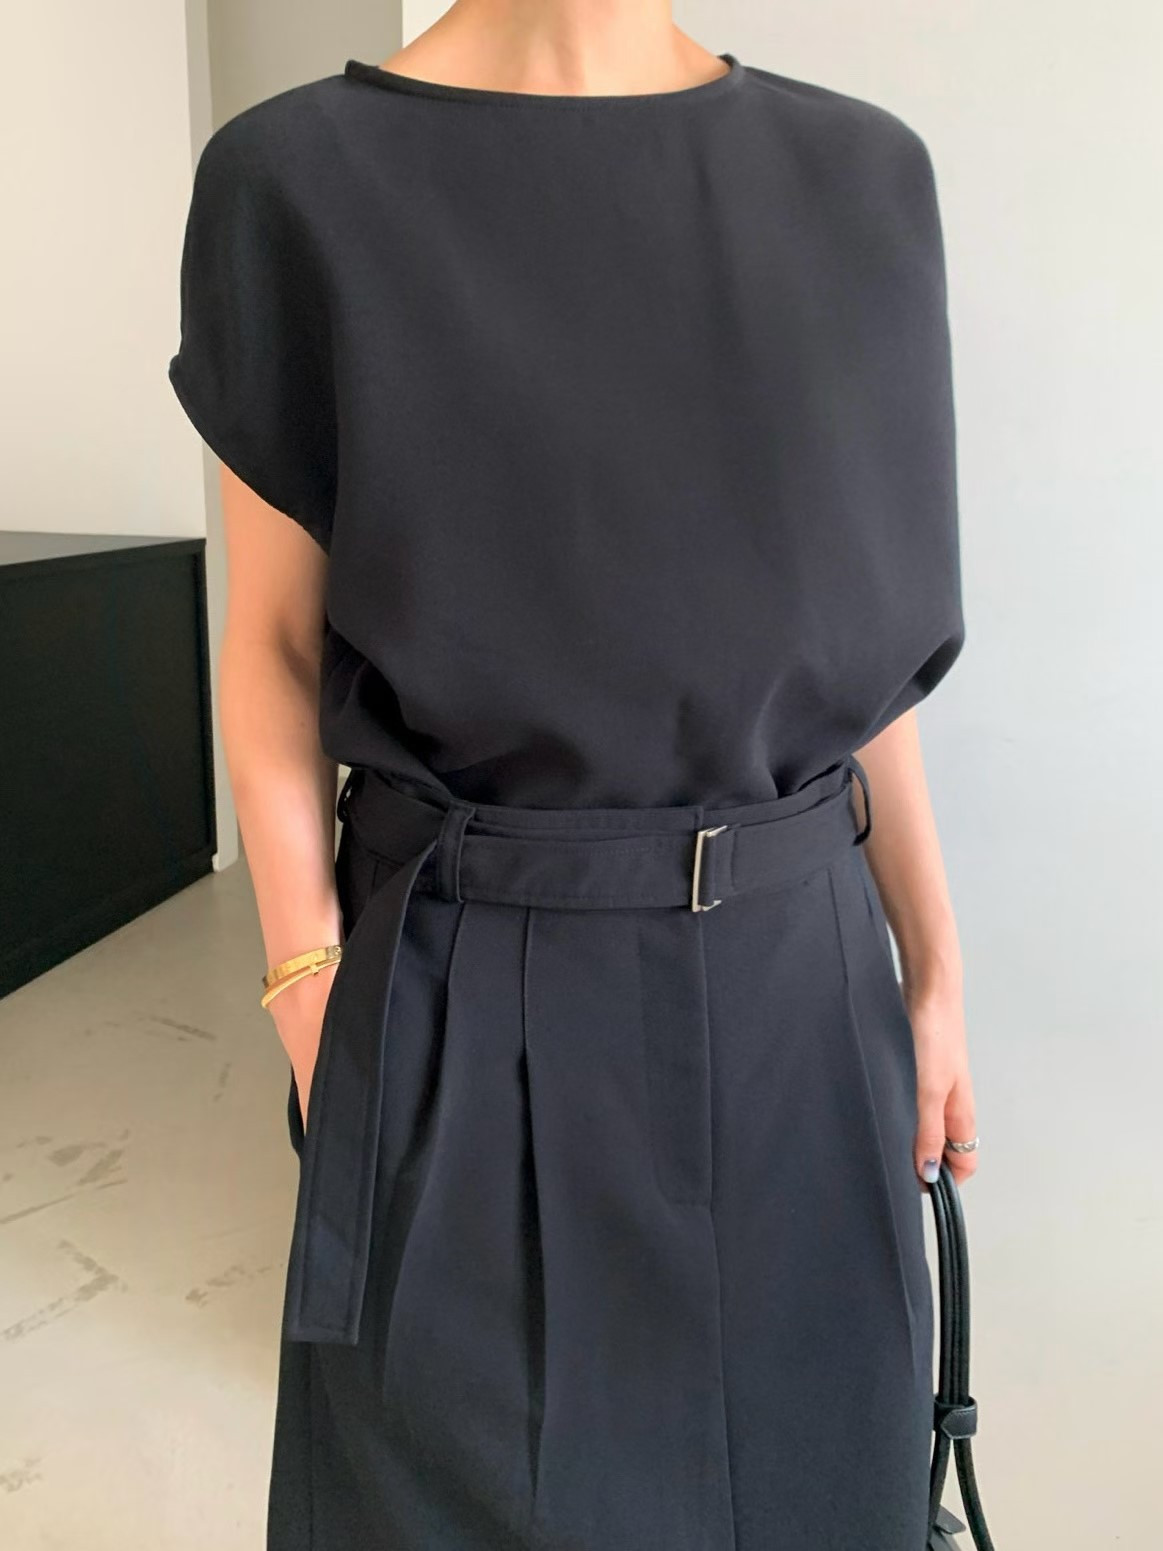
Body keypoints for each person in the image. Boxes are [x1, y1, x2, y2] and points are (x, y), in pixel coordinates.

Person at [166, 5, 978, 1548]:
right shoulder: (296, 181)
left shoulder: (862, 178)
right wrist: (306, 989)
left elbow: (853, 661)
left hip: (800, 998)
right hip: (460, 981)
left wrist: (932, 967)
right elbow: (270, 641)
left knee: (818, 1493)